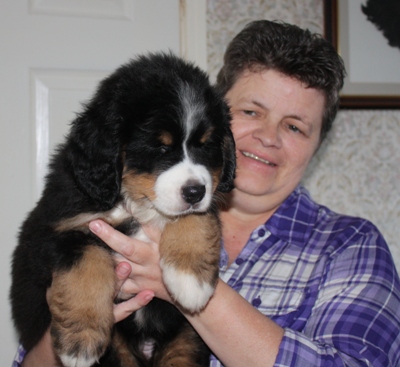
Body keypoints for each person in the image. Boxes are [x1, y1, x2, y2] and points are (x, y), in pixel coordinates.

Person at [13, 20, 400, 367]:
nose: (268, 137)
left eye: (296, 127)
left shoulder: (351, 245)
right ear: (217, 111)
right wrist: (74, 320)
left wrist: (198, 298)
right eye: (251, 112)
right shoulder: (116, 196)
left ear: (318, 144)